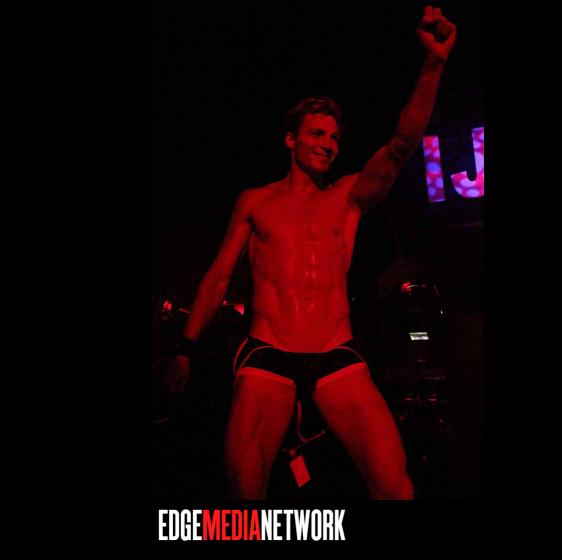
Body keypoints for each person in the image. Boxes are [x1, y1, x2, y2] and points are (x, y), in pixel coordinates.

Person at [167, 5, 455, 499]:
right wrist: (185, 349)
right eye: (317, 134)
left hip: (335, 352)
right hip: (267, 353)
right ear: (290, 140)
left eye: (335, 137)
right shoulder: (256, 201)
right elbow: (218, 277)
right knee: (244, 494)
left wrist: (433, 64)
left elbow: (402, 145)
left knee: (395, 486)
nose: (329, 144)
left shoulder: (348, 197)